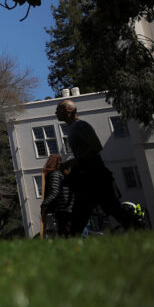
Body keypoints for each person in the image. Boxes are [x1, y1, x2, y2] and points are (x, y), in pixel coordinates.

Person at [55, 99, 134, 234]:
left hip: (96, 177)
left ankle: (138, 228)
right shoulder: (72, 128)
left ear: (68, 111)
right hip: (87, 178)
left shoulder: (81, 126)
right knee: (81, 216)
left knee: (112, 209)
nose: (56, 113)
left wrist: (73, 162)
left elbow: (97, 146)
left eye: (58, 110)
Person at [40, 154, 72, 237]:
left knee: (67, 235)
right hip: (71, 208)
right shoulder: (64, 173)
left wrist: (45, 204)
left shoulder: (55, 174)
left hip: (64, 210)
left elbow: (55, 191)